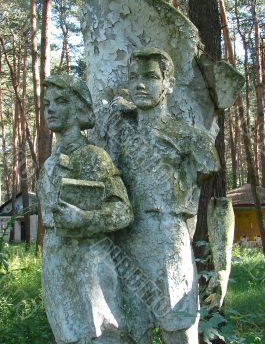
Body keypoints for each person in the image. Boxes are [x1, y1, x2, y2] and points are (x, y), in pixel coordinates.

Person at [107, 48, 230, 344]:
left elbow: (217, 201)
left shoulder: (190, 139)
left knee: (179, 328)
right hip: (125, 245)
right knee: (132, 332)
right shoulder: (117, 134)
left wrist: (222, 263)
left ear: (168, 83)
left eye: (150, 77)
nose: (139, 85)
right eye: (133, 77)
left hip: (168, 242)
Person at [37, 75, 134, 344]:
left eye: (60, 101)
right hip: (57, 263)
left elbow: (123, 210)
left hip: (90, 265)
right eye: (47, 103)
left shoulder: (94, 157)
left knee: (101, 335)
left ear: (79, 108)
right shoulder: (48, 165)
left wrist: (86, 218)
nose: (51, 109)